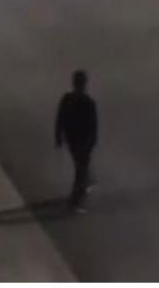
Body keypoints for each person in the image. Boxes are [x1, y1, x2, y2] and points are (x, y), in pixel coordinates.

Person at [55, 70, 98, 212]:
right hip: (83, 141)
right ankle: (75, 201)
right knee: (81, 170)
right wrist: (92, 141)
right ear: (85, 84)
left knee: (81, 167)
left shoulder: (67, 99)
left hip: (72, 140)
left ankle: (85, 183)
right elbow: (93, 125)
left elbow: (60, 119)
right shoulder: (88, 102)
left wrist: (58, 136)